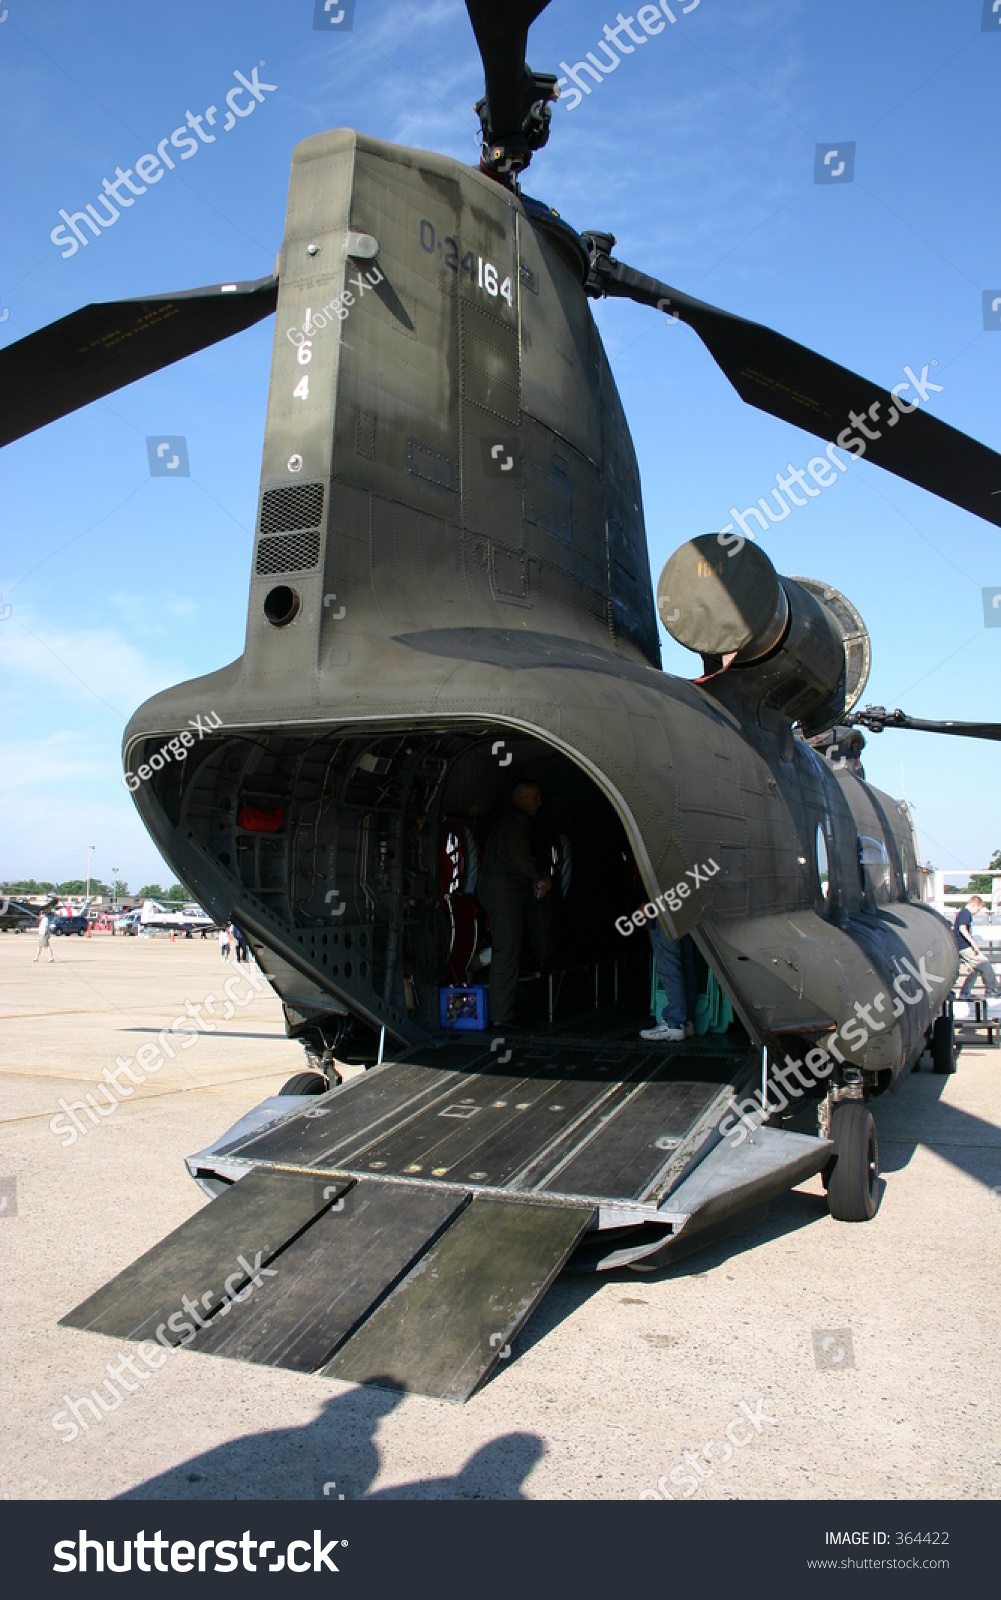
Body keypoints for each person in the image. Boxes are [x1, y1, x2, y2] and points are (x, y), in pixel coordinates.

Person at [476, 780, 553, 1027]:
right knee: (506, 951)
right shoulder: (515, 822)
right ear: (519, 796)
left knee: (506, 948)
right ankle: (501, 1016)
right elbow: (520, 857)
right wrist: (539, 877)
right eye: (535, 796)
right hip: (503, 891)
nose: (539, 802)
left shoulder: (511, 822)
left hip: (503, 890)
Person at [641, 925, 697, 1042]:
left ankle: (674, 1023)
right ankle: (687, 1021)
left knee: (668, 962)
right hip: (682, 912)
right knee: (685, 962)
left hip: (664, 911)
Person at [954, 894, 1001, 998]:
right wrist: (973, 943)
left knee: (974, 969)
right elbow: (962, 929)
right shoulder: (966, 913)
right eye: (978, 909)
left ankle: (965, 993)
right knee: (985, 963)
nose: (977, 912)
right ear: (974, 905)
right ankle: (992, 989)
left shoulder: (962, 913)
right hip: (964, 947)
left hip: (959, 947)